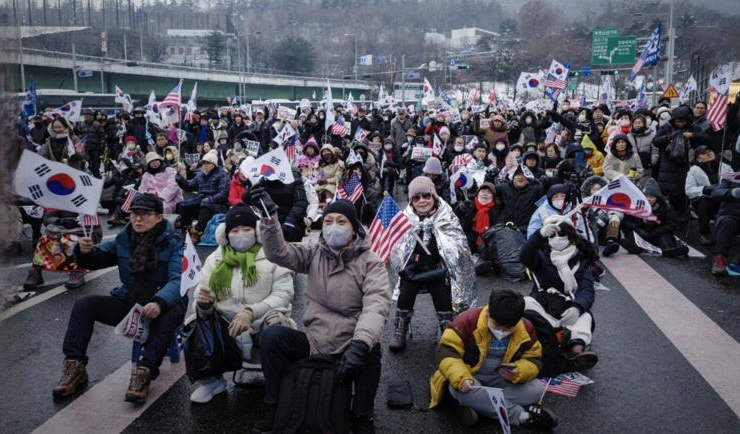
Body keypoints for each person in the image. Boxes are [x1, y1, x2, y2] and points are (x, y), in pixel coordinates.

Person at [248, 198, 390, 433]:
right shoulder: (314, 252)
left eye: (341, 221)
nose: (334, 226)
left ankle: (362, 415)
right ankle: (274, 407)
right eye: (328, 221)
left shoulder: (371, 263)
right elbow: (278, 253)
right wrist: (268, 216)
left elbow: (376, 304)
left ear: (354, 229)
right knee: (273, 338)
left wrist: (360, 344)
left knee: (372, 350)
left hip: (350, 341)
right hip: (314, 340)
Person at [52, 194, 185, 404]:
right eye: (134, 214)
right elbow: (99, 257)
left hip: (164, 304)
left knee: (170, 313)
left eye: (145, 214)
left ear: (159, 217)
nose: (138, 219)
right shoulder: (125, 238)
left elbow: (179, 280)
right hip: (131, 300)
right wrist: (85, 251)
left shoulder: (174, 242)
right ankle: (75, 366)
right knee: (84, 305)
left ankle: (144, 372)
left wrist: (159, 302)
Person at [189, 206, 296, 403]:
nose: (241, 235)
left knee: (277, 327)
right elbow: (201, 292)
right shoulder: (214, 259)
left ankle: (279, 383)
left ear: (256, 231)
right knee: (194, 323)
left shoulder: (274, 255)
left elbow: (284, 294)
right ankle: (212, 381)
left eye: (246, 229)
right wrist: (205, 304)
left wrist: (250, 312)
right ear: (226, 234)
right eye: (234, 230)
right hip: (228, 326)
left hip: (262, 320)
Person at [428, 289, 558, 429]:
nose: (502, 331)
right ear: (488, 312)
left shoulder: (526, 327)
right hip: (471, 378)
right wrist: (462, 378)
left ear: (519, 320)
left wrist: (518, 371)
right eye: (497, 325)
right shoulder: (467, 320)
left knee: (537, 389)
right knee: (461, 389)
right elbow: (447, 352)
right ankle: (522, 416)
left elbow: (534, 359)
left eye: (509, 328)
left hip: (501, 380)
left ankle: (479, 406)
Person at [388, 176, 476, 352]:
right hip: (414, 269)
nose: (422, 201)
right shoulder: (405, 219)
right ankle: (400, 327)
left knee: (439, 288)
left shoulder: (446, 215)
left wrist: (445, 259)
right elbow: (396, 250)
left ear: (434, 197)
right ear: (411, 201)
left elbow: (459, 247)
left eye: (426, 196)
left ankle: (447, 328)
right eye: (416, 197)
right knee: (408, 286)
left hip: (438, 268)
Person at [520, 215, 599, 370]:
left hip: (568, 307)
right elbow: (524, 256)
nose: (557, 237)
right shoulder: (540, 255)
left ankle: (576, 349)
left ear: (571, 236)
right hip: (543, 305)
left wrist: (577, 307)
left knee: (586, 316)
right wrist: (539, 235)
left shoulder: (581, 259)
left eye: (562, 234)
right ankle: (553, 339)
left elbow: (587, 289)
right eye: (552, 234)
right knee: (525, 304)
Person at [619, 178, 688, 258]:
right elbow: (626, 221)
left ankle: (670, 250)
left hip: (657, 233)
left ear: (657, 198)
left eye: (651, 197)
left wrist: (655, 232)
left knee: (664, 237)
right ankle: (635, 247)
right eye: (646, 196)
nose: (648, 199)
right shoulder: (635, 205)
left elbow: (671, 225)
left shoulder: (666, 208)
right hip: (640, 233)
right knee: (632, 234)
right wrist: (637, 228)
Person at [175, 151, 230, 243]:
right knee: (182, 205)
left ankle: (197, 232)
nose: (205, 165)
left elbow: (224, 193)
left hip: (217, 203)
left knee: (206, 205)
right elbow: (189, 186)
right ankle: (186, 230)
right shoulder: (200, 174)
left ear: (214, 164)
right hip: (201, 200)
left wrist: (210, 199)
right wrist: (179, 179)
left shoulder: (222, 175)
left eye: (208, 163)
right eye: (203, 163)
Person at [685, 146, 730, 246]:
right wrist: (704, 189)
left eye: (710, 150)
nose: (709, 153)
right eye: (704, 153)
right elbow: (689, 190)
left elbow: (734, 182)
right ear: (698, 158)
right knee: (705, 202)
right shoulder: (693, 171)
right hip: (704, 201)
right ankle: (704, 233)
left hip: (723, 199)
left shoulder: (725, 167)